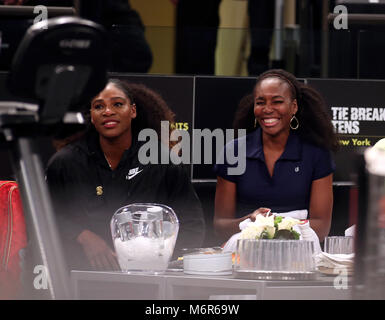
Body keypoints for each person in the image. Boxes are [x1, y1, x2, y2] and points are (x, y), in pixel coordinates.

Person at [46, 79, 205, 271]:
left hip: (149, 278)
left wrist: (158, 259)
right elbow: (46, 217)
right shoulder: (66, 163)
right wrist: (84, 236)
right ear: (92, 116)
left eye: (117, 104)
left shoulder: (162, 161)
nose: (108, 111)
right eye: (99, 106)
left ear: (133, 110)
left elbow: (192, 224)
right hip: (81, 275)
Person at [213, 69, 338, 242]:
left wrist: (271, 224)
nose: (268, 109)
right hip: (245, 253)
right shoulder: (233, 151)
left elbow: (322, 227)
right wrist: (250, 221)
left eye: (277, 101)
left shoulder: (316, 153)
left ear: (293, 107)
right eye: (260, 102)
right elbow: (220, 225)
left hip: (299, 255)